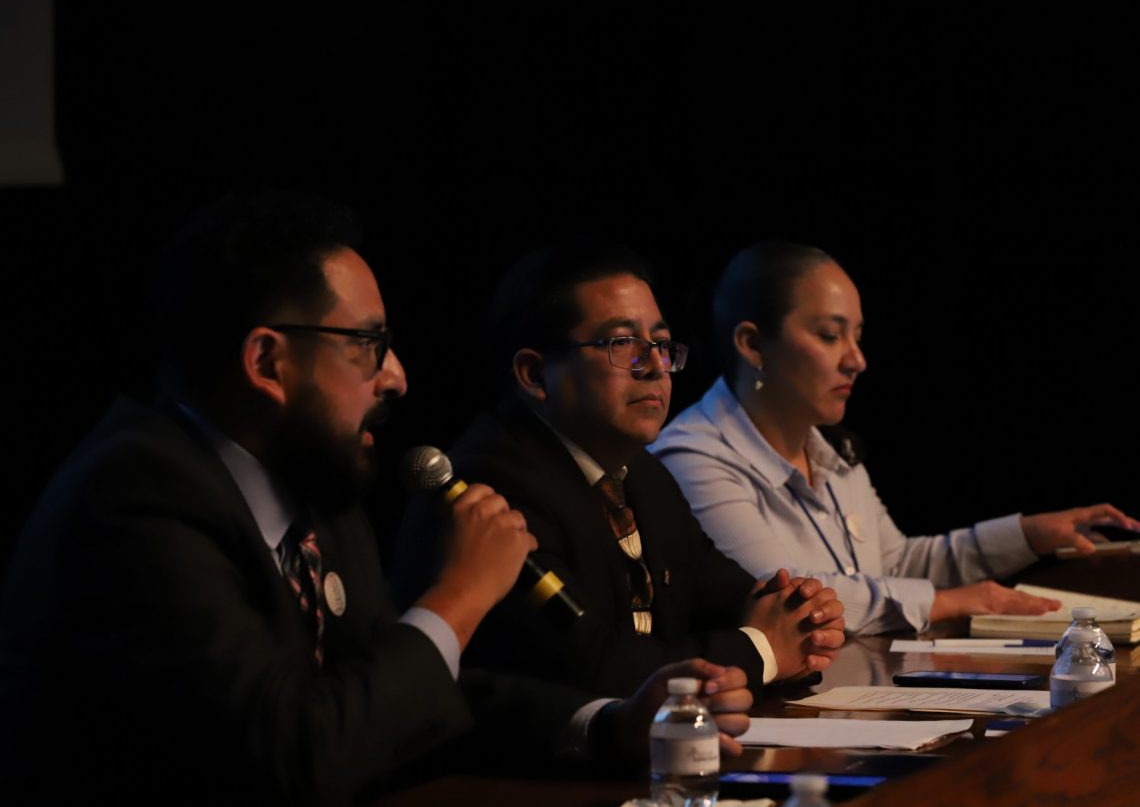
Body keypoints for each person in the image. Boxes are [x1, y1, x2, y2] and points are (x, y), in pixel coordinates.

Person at [0, 193, 754, 805]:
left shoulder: (315, 492)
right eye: (367, 344)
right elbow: (295, 756)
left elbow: (406, 693)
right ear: (267, 361)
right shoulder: (135, 500)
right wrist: (459, 596)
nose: (396, 376)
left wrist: (607, 725)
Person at [394, 239, 846, 698]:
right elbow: (593, 668)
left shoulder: (642, 474)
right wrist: (764, 650)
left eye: (662, 344)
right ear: (534, 374)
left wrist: (799, 617)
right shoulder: (489, 486)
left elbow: (723, 594)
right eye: (623, 343)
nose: (655, 367)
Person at [651, 241, 1138, 635]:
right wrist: (945, 602)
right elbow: (786, 594)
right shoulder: (691, 457)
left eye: (857, 336)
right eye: (830, 335)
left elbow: (896, 563)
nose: (856, 360)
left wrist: (1027, 534)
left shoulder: (830, 449)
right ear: (753, 344)